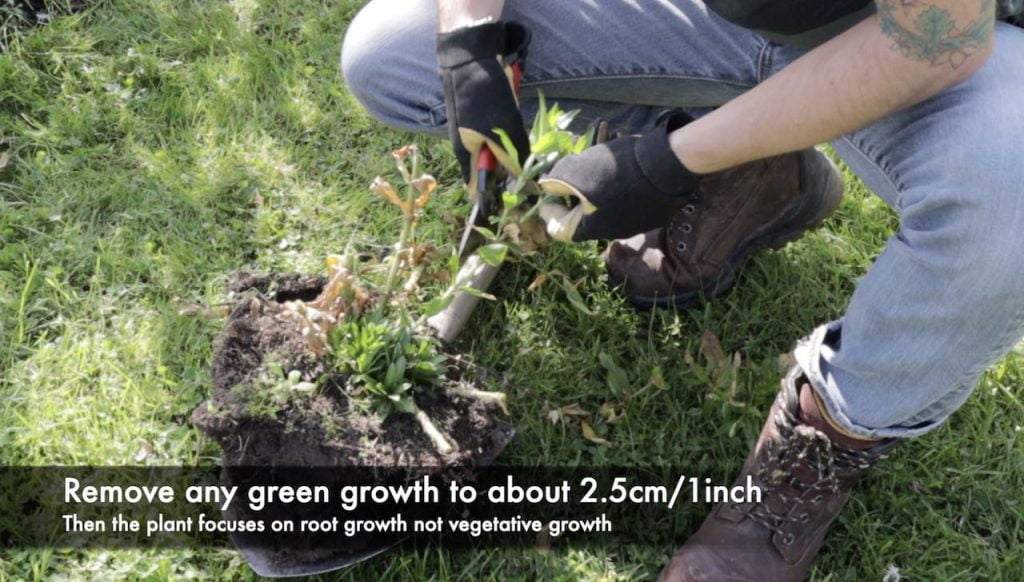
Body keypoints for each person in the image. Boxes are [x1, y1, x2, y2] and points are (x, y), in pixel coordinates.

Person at [341, 1, 1024, 579]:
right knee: (393, 57)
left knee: (1010, 194)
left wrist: (665, 162)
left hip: (943, 38)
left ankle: (834, 429)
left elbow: (940, 35)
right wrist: (469, 38)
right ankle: (756, 173)